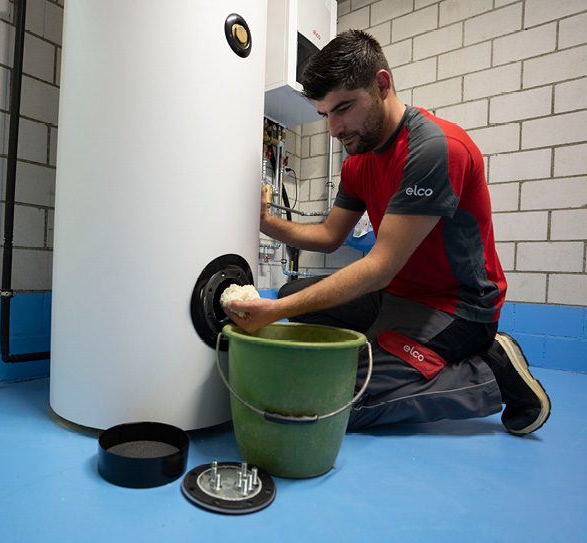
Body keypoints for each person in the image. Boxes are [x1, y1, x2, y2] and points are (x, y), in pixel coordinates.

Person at [223, 30, 550, 435]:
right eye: (326, 114)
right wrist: (263, 222)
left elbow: (378, 267)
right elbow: (329, 236)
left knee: (336, 402)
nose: (334, 129)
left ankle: (492, 372)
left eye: (343, 108)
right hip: (397, 292)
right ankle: (392, 353)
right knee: (293, 294)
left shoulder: (434, 148)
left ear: (381, 85)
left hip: (457, 305)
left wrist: (272, 312)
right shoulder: (358, 162)